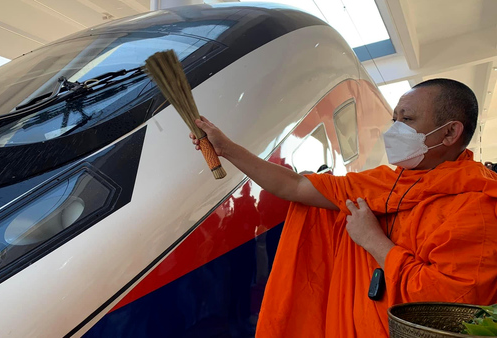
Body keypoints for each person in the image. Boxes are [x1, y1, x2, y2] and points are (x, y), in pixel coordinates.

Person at [189, 78, 497, 337]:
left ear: (449, 133)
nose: (394, 130)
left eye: (407, 119)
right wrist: (226, 148)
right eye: (395, 119)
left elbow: (452, 310)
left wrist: (374, 241)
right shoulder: (384, 183)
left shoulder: (476, 205)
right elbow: (295, 186)